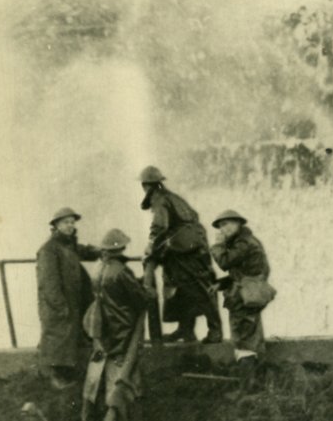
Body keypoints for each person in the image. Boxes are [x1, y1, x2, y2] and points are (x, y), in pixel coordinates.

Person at [138, 166, 222, 343]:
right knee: (181, 290)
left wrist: (150, 245)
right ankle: (185, 330)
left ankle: (215, 331)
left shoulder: (159, 199)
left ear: (146, 185)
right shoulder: (171, 197)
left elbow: (160, 226)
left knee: (199, 288)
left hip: (186, 251)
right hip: (186, 248)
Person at [82, 229, 154, 421]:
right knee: (126, 375)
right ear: (121, 248)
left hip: (104, 329)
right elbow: (140, 298)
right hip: (123, 329)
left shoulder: (99, 269)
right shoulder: (121, 271)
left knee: (101, 374)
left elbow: (118, 290)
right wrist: (149, 287)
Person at [36, 207, 101, 388]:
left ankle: (68, 374)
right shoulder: (49, 249)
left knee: (70, 336)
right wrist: (59, 305)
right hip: (57, 303)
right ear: (56, 225)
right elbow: (49, 283)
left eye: (72, 222)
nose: (70, 226)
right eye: (66, 222)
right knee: (58, 338)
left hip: (71, 301)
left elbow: (82, 250)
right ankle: (56, 377)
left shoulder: (67, 244)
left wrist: (102, 251)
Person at [210, 210, 273, 386]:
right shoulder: (245, 242)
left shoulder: (243, 244)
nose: (224, 229)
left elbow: (225, 263)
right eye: (221, 226)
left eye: (228, 224)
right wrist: (222, 284)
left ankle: (247, 387)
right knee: (249, 337)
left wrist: (217, 246)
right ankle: (254, 382)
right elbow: (244, 272)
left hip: (243, 297)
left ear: (239, 224)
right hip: (249, 294)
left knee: (242, 338)